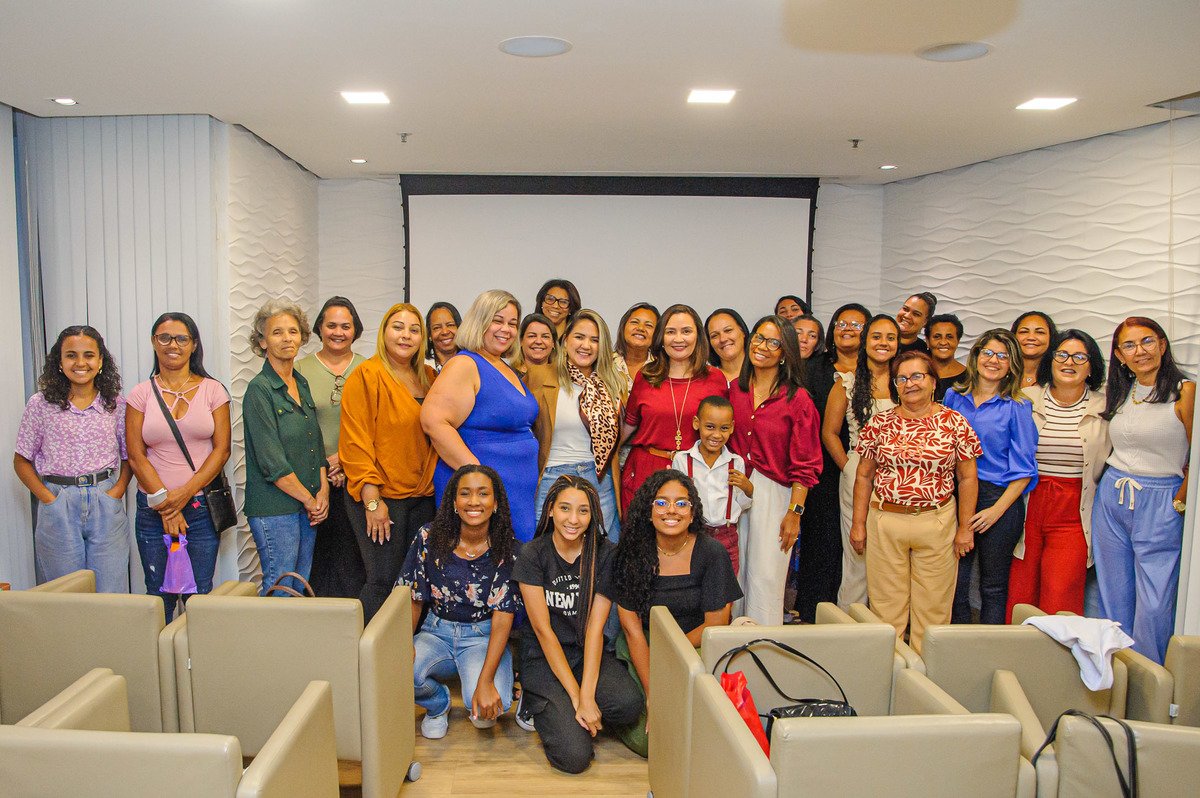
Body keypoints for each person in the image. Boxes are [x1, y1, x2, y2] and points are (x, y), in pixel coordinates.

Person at [850, 351, 981, 653]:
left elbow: (967, 478)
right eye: (902, 378)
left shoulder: (955, 423)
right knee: (886, 611)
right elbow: (863, 476)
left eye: (917, 376)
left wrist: (965, 528)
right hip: (885, 521)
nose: (910, 384)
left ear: (933, 381)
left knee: (933, 612)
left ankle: (924, 682)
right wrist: (858, 524)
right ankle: (892, 676)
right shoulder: (880, 423)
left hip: (936, 522)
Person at [514, 476, 643, 773]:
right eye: (565, 509)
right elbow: (544, 633)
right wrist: (577, 698)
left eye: (583, 511)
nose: (573, 519)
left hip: (584, 652)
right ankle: (540, 704)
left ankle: (571, 715)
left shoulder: (606, 553)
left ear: (594, 514)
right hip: (544, 659)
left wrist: (587, 695)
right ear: (550, 511)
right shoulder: (532, 554)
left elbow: (594, 629)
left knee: (629, 705)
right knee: (574, 758)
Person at [614, 469, 743, 756]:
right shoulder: (632, 552)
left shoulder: (711, 552)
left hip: (695, 642)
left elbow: (716, 621)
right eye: (661, 502)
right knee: (655, 743)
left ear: (692, 510)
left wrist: (673, 653)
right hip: (644, 643)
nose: (671, 510)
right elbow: (631, 627)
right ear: (648, 511)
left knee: (693, 727)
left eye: (681, 503)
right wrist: (652, 691)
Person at [1092, 317, 1194, 664]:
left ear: (1162, 345)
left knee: (1154, 602)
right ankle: (1115, 675)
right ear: (1119, 355)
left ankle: (1150, 683)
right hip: (1112, 496)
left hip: (1162, 500)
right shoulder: (1122, 391)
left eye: (1147, 341)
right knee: (1114, 594)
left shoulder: (1186, 391)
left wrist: (1181, 497)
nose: (1141, 351)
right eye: (1130, 346)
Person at [401, 465, 521, 738]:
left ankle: (501, 671)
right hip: (436, 631)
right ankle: (438, 704)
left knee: (484, 713)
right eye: (465, 494)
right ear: (454, 502)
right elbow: (413, 597)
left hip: (483, 635)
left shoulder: (507, 548)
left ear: (496, 503)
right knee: (398, 670)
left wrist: (486, 680)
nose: (474, 501)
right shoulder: (428, 537)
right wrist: (404, 644)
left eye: (483, 494)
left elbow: (504, 616)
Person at [126, 312, 231, 622]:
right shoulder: (140, 394)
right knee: (159, 598)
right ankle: (160, 668)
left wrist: (184, 494)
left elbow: (222, 449)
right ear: (154, 343)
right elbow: (135, 454)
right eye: (165, 337)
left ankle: (195, 666)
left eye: (182, 338)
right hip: (153, 511)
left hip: (199, 508)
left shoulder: (213, 390)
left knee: (199, 595)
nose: (173, 344)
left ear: (193, 344)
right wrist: (165, 503)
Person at [15, 325, 132, 593]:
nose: (80, 363)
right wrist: (49, 499)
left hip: (105, 501)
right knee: (65, 596)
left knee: (110, 593)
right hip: (58, 503)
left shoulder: (116, 404)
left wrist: (116, 492)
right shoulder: (40, 403)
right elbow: (21, 461)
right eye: (71, 355)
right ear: (59, 361)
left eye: (89, 355)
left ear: (101, 361)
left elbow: (129, 457)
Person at [339, 302, 438, 621]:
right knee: (382, 581)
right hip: (381, 497)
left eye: (414, 329)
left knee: (414, 585)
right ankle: (360, 661)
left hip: (422, 495)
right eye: (398, 327)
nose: (405, 335)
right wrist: (372, 502)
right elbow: (355, 443)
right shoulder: (366, 375)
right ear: (384, 332)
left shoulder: (429, 376)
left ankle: (399, 657)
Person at [422, 290, 541, 542]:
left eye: (512, 323)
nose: (506, 329)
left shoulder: (502, 365)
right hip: (483, 494)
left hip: (515, 491)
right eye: (497, 320)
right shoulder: (465, 363)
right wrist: (479, 478)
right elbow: (434, 421)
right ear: (479, 321)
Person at [1007, 330, 1109, 619]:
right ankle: (1016, 660)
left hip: (1074, 510)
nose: (1070, 362)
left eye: (1080, 357)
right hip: (1027, 503)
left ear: (1091, 367)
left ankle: (1055, 663)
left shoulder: (1105, 407)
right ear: (1050, 360)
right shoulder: (1026, 399)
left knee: (1061, 594)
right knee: (1020, 592)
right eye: (1062, 354)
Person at [729, 315, 822, 625]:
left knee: (766, 577)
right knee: (734, 571)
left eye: (774, 343)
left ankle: (763, 648)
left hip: (775, 493)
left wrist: (794, 512)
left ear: (785, 353)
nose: (762, 347)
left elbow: (806, 464)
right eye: (758, 338)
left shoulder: (798, 400)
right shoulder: (735, 390)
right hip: (733, 487)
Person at [943, 329, 1038, 625]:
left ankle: (988, 656)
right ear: (976, 356)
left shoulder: (1018, 406)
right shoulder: (952, 397)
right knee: (955, 585)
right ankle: (956, 651)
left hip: (999, 500)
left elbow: (1025, 470)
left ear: (1012, 364)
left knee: (993, 587)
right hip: (956, 495)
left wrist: (995, 512)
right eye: (988, 353)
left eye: (1003, 356)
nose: (994, 360)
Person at [242, 300, 328, 595]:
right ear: (262, 341)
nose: (287, 338)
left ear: (302, 337)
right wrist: (309, 499)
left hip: (307, 505)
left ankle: (294, 642)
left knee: (299, 585)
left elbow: (314, 443)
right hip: (276, 509)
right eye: (277, 332)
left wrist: (323, 492)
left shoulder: (300, 382)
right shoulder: (259, 390)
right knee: (281, 586)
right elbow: (271, 461)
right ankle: (272, 643)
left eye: (293, 331)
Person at [791, 303, 870, 622]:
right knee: (821, 544)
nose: (848, 328)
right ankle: (814, 613)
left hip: (873, 474)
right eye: (841, 322)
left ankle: (856, 613)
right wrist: (846, 466)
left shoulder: (878, 371)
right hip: (823, 471)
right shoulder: (814, 367)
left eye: (857, 324)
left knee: (860, 543)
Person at [620, 304, 728, 515]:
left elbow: (725, 432)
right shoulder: (646, 375)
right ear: (661, 337)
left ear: (698, 336)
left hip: (696, 470)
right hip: (646, 471)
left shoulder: (715, 379)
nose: (678, 339)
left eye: (686, 331)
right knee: (642, 542)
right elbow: (628, 426)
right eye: (671, 332)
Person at [822, 314, 899, 609]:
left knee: (891, 556)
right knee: (858, 552)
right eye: (877, 336)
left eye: (890, 337)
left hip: (900, 478)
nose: (883, 343)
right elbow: (829, 432)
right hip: (858, 472)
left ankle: (886, 624)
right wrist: (849, 466)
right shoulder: (848, 382)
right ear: (865, 341)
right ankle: (850, 624)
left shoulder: (905, 382)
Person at [528, 309, 624, 539]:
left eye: (595, 340)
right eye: (580, 337)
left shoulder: (613, 383)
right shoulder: (540, 376)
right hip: (551, 475)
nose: (586, 345)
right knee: (545, 550)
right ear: (565, 339)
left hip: (600, 479)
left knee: (602, 553)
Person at [296, 296, 367, 598]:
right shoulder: (299, 369)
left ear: (356, 330)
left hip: (359, 478)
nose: (338, 332)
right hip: (311, 479)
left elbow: (376, 425)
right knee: (317, 561)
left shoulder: (370, 369)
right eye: (331, 325)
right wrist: (325, 465)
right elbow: (296, 425)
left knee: (354, 561)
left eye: (346, 326)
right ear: (319, 329)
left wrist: (344, 459)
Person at [672, 396, 753, 575]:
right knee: (694, 586)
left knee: (725, 592)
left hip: (727, 536)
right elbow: (677, 501)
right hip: (693, 535)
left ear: (731, 427)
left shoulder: (735, 462)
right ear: (696, 423)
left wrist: (748, 489)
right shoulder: (683, 460)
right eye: (710, 427)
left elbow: (742, 505)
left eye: (724, 428)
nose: (717, 435)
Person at [612, 302, 658, 396]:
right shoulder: (605, 363)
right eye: (634, 322)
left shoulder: (662, 368)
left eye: (649, 325)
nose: (641, 328)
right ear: (624, 326)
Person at [1011, 311, 1058, 390]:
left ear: (1051, 337)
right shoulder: (1001, 373)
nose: (1031, 337)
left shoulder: (1059, 377)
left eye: (1040, 332)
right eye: (1024, 332)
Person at [926, 313, 967, 400]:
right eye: (937, 337)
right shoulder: (918, 375)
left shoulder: (969, 377)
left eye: (949, 337)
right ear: (927, 341)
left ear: (958, 341)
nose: (943, 342)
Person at [705, 308, 749, 385]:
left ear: (742, 331)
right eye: (714, 335)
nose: (722, 339)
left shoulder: (764, 373)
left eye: (728, 330)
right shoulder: (706, 380)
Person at [424, 301, 461, 373]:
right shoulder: (421, 368)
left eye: (450, 325)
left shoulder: (473, 363)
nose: (445, 332)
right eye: (437, 327)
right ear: (429, 335)